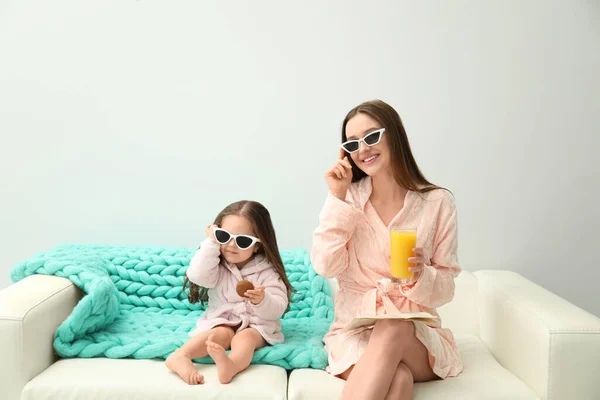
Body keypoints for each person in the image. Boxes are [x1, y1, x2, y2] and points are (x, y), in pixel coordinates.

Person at [311, 100, 463, 400]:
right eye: (353, 143)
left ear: (393, 135)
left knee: (394, 326)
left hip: (415, 336)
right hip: (355, 334)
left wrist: (421, 275)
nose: (363, 149)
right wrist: (337, 198)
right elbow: (325, 266)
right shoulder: (348, 200)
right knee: (399, 380)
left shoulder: (437, 203)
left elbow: (445, 289)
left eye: (371, 137)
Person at [166, 200, 293, 384]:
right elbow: (197, 275)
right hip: (223, 319)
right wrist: (211, 242)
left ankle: (231, 365)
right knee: (218, 335)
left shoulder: (267, 271)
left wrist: (262, 300)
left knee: (246, 338)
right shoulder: (215, 264)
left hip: (256, 324)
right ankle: (180, 356)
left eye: (242, 240)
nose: (231, 245)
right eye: (224, 236)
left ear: (257, 245)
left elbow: (278, 308)